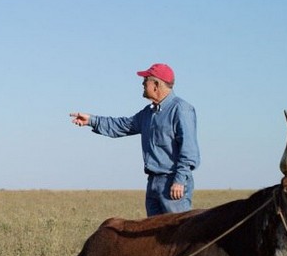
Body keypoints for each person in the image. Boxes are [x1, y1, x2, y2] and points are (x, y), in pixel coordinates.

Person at [70, 63, 199, 216]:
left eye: (146, 80)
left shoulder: (181, 109)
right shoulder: (148, 113)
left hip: (172, 183)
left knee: (177, 235)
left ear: (156, 85)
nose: (143, 84)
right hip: (153, 182)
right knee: (152, 237)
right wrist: (92, 120)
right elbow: (122, 125)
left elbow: (189, 150)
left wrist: (179, 181)